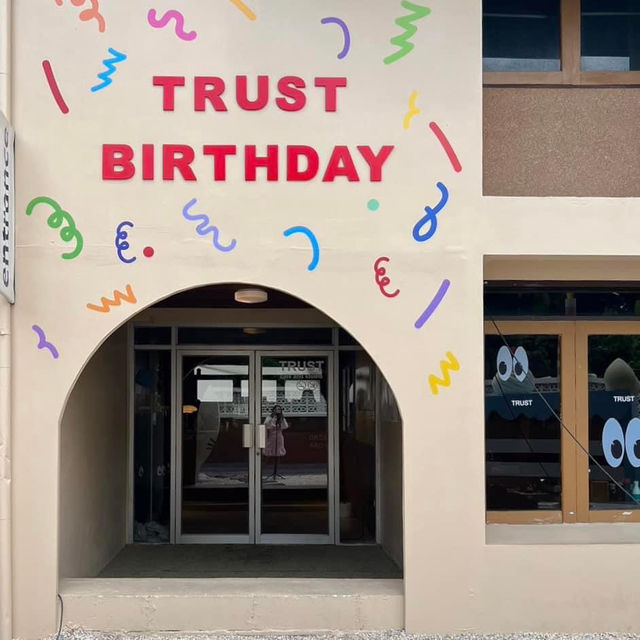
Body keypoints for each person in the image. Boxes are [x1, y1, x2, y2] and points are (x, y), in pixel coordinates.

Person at [264, 404, 289, 479]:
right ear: (273, 410)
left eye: (279, 409)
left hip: (279, 436)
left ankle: (276, 471)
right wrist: (273, 418)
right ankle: (265, 468)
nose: (278, 410)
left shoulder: (281, 418)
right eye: (276, 409)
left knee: (278, 453)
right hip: (272, 436)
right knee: (269, 452)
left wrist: (282, 419)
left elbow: (285, 426)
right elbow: (266, 425)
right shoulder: (269, 417)